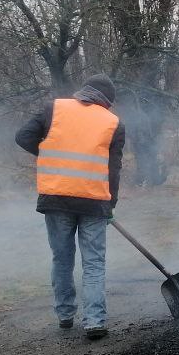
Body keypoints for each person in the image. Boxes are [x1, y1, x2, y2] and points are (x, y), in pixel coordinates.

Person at [15, 74, 125, 340]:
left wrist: (51, 154)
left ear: (83, 92)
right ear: (107, 101)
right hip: (94, 201)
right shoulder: (113, 123)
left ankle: (65, 315)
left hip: (56, 198)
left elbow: (23, 137)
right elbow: (113, 169)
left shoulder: (54, 108)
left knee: (62, 259)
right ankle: (95, 321)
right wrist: (111, 203)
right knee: (94, 263)